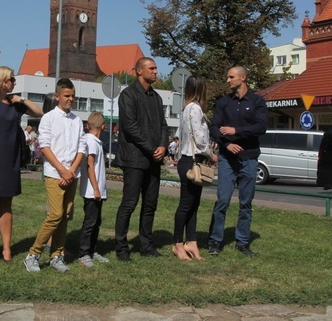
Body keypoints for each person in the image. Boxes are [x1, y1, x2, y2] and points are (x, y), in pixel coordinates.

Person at [0, 66, 43, 263]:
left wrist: (21, 99)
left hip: (11, 160)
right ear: (2, 81)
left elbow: (39, 112)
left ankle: (6, 249)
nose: (13, 82)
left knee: (7, 205)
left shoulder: (15, 104)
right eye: (11, 79)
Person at [23, 78, 86, 273]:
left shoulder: (76, 120)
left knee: (65, 216)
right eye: (67, 96)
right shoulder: (48, 118)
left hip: (72, 173)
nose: (71, 99)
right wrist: (62, 170)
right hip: (54, 173)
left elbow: (81, 146)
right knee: (55, 214)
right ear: (57, 96)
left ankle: (57, 255)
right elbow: (45, 146)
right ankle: (33, 254)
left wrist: (72, 170)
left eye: (73, 96)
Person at [207, 66, 267, 257]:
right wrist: (226, 144)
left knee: (246, 203)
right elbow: (214, 127)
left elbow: (261, 127)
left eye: (231, 77)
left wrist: (236, 131)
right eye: (227, 76)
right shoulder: (224, 102)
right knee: (222, 200)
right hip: (227, 158)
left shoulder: (257, 101)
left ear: (243, 78)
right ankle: (215, 241)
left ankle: (242, 242)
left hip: (248, 158)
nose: (228, 80)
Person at [114, 57, 168, 261]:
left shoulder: (156, 97)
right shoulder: (128, 95)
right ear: (138, 71)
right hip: (134, 158)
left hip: (153, 158)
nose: (155, 72)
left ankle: (146, 245)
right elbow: (130, 127)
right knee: (129, 202)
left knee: (150, 203)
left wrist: (163, 146)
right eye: (151, 68)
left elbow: (163, 125)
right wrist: (152, 147)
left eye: (156, 68)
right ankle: (121, 247)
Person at [172, 76, 215, 261]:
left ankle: (191, 241)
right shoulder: (195, 108)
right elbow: (199, 138)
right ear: (201, 89)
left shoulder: (186, 109)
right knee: (186, 204)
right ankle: (178, 244)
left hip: (188, 159)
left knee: (193, 205)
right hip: (191, 161)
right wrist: (211, 154)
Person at [77, 112, 110, 267]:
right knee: (90, 222)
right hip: (92, 191)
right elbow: (90, 165)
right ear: (103, 126)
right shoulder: (91, 141)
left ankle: (92, 250)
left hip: (96, 190)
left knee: (96, 221)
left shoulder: (95, 141)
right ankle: (83, 253)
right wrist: (96, 189)